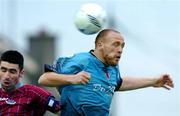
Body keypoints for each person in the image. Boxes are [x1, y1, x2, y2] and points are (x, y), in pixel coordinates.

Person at [38, 29, 174, 116]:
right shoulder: (81, 60)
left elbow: (120, 83)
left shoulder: (113, 69)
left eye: (122, 46)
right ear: (100, 45)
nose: (120, 49)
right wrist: (72, 79)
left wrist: (153, 81)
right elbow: (44, 79)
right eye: (115, 44)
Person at [0, 50, 61, 115]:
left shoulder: (33, 93)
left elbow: (64, 111)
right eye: (3, 70)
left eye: (12, 72)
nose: (6, 76)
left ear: (21, 73)